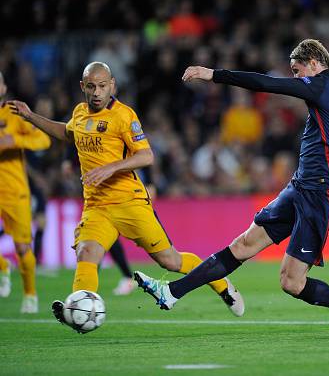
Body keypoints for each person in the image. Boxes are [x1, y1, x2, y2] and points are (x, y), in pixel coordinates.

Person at [134, 39, 329, 336]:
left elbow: (267, 84)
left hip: (320, 193)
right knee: (243, 245)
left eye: (297, 71)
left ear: (314, 62)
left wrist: (214, 74)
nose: (297, 78)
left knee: (291, 283)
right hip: (300, 185)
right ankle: (171, 293)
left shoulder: (321, 86)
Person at [9, 62, 244, 331]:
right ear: (82, 87)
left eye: (102, 86)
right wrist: (30, 117)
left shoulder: (124, 116)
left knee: (170, 260)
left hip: (130, 203)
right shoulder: (80, 113)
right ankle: (78, 309)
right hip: (97, 206)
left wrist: (108, 168)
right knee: (87, 253)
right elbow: (66, 132)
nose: (97, 92)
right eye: (91, 87)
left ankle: (221, 283)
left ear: (112, 86)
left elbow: (146, 155)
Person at [0, 71, 51, 312]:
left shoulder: (13, 113)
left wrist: (16, 142)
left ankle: (30, 294)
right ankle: (2, 267)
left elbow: (44, 140)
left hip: (14, 191)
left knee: (22, 248)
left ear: (3, 88)